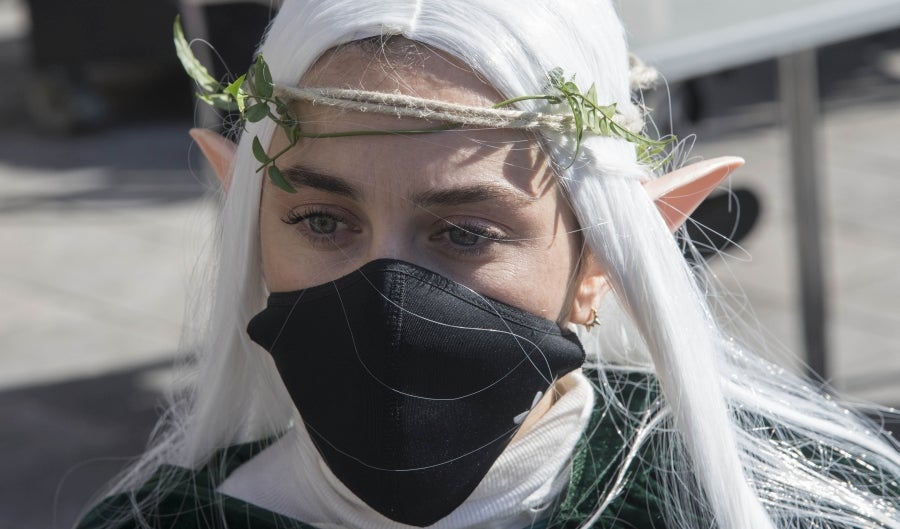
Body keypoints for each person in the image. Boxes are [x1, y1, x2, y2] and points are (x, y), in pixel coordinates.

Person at [76, 1, 900, 528]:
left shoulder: (811, 504)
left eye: (466, 233)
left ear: (602, 258)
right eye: (323, 218)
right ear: (248, 213)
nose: (387, 295)